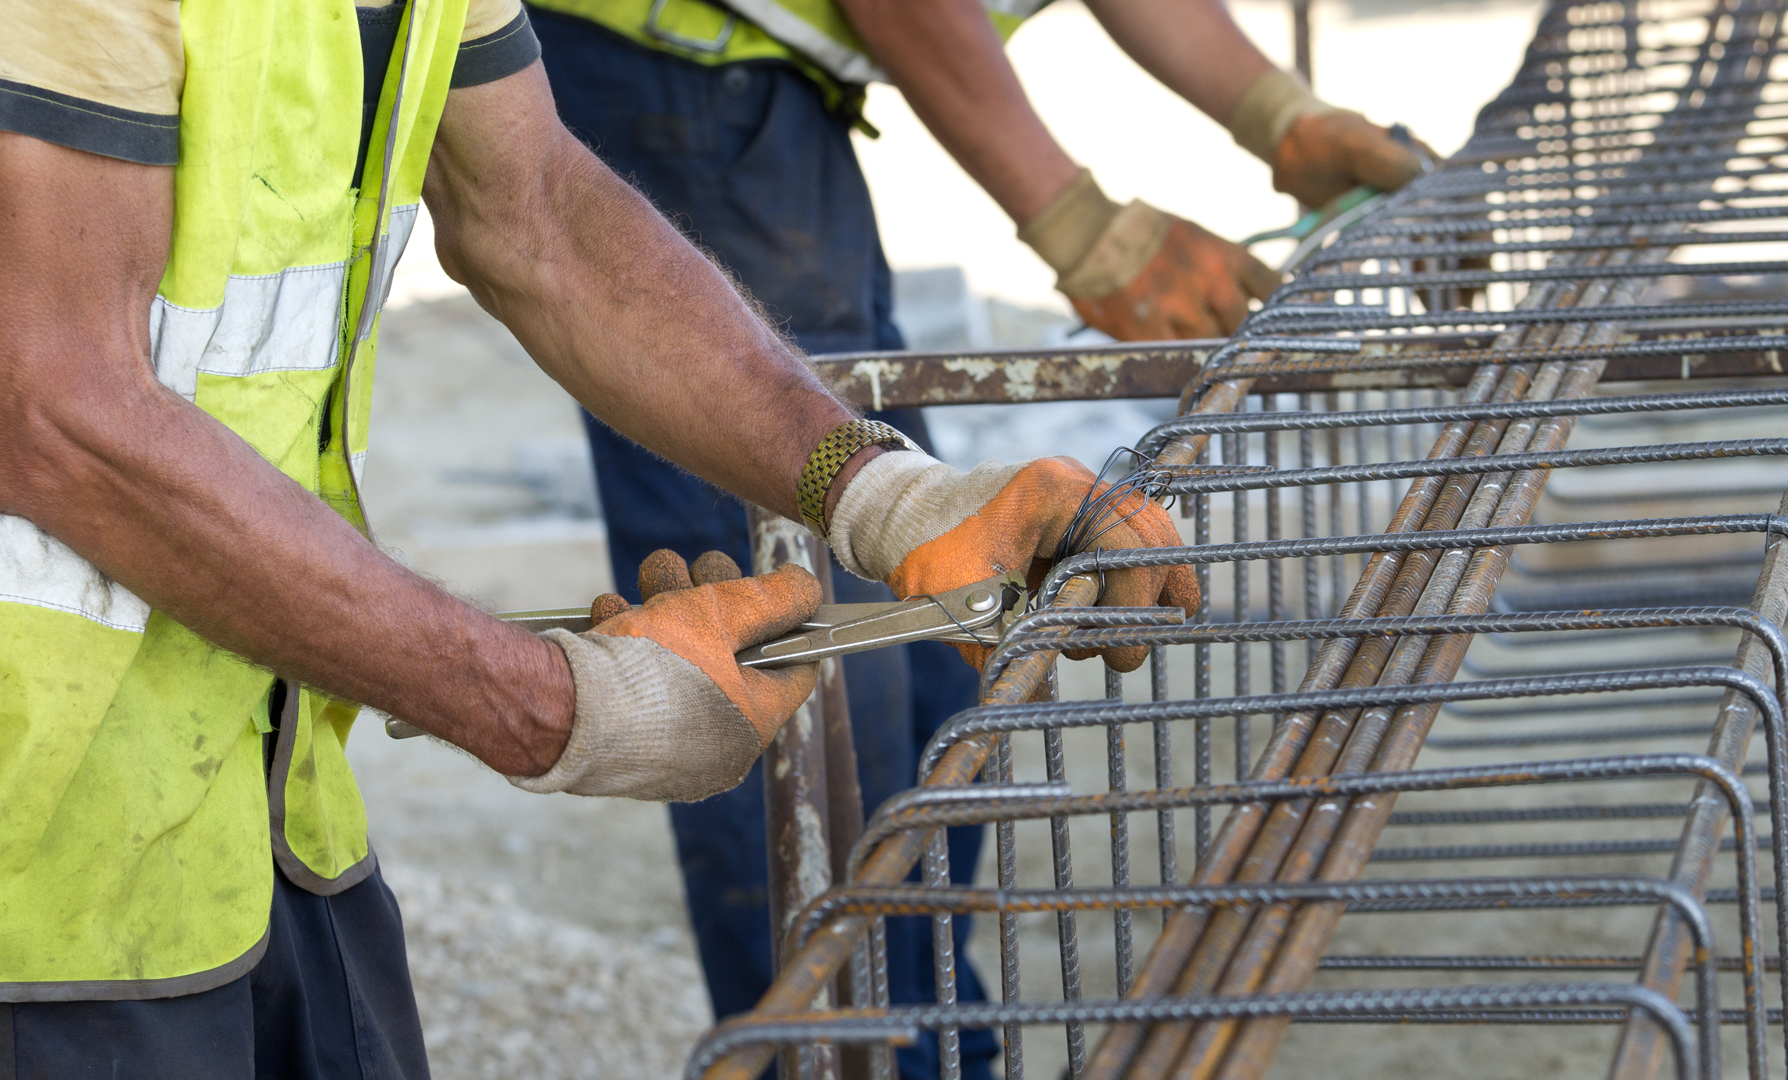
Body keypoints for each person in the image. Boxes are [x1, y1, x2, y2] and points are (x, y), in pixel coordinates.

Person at [0, 0, 1200, 1076]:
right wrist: (548, 702)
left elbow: (540, 215)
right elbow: (53, 408)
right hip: (36, 857)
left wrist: (883, 494)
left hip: (248, 796)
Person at [520, 0, 1427, 1076]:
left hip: (762, 101)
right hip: (675, 83)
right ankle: (864, 1056)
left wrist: (1278, 115)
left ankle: (926, 1041)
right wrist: (1082, 224)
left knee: (917, 667)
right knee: (818, 687)